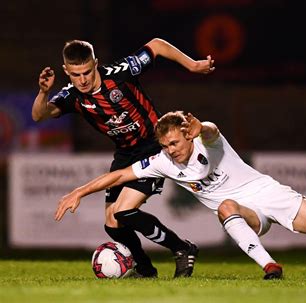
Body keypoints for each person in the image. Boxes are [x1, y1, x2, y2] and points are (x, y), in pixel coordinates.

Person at [54, 111, 306, 281]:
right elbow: (119, 174)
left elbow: (213, 130)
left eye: (175, 142)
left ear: (187, 134)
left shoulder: (206, 140)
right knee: (226, 206)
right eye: (166, 145)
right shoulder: (164, 162)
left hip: (268, 193)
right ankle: (269, 266)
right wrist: (79, 191)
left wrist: (202, 124)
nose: (171, 150)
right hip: (242, 213)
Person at [33, 40, 215, 278]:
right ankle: (145, 269)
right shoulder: (72, 95)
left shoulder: (121, 72)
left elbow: (158, 45)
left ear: (96, 64)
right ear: (67, 71)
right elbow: (39, 115)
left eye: (87, 71)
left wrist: (191, 65)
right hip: (124, 153)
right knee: (112, 223)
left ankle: (182, 248)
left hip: (153, 146)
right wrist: (44, 92)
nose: (83, 80)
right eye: (76, 74)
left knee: (123, 211)